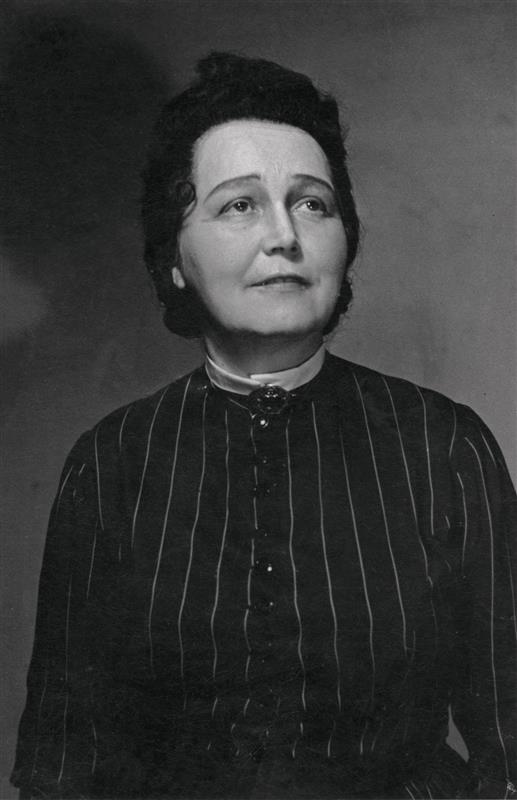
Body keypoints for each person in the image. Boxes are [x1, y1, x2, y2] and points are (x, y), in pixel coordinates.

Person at [11, 52, 516, 800]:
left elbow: (509, 743)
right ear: (174, 258)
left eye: (312, 204)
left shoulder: (444, 446)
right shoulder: (113, 462)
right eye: (239, 205)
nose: (284, 235)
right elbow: (61, 761)